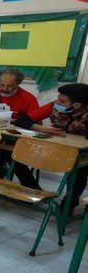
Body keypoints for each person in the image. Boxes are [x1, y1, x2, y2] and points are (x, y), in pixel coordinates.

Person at [11, 83, 88, 213]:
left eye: (62, 101)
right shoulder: (54, 106)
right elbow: (22, 120)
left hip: (81, 153)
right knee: (13, 154)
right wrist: (42, 128)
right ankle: (32, 189)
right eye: (58, 98)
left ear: (77, 105)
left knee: (79, 171)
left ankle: (69, 205)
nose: (57, 102)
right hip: (54, 148)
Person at [0, 68, 40, 186]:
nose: (4, 89)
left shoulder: (28, 98)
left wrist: (17, 121)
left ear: (18, 84)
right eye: (2, 85)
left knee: (6, 154)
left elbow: (38, 124)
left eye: (9, 86)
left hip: (16, 139)